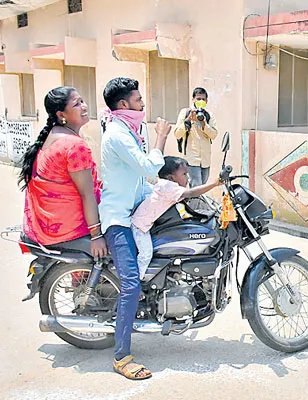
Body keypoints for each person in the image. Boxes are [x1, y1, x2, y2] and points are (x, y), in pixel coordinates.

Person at [99, 77, 171, 380]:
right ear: (123, 104)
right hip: (119, 218)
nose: (143, 104)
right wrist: (161, 138)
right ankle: (121, 357)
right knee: (130, 284)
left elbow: (142, 180)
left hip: (134, 210)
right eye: (138, 99)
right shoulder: (117, 133)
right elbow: (148, 167)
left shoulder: (128, 128)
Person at [19, 86, 107, 258]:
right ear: (61, 115)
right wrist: (96, 235)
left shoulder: (52, 135)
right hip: (68, 226)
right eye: (76, 104)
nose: (84, 106)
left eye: (82, 101)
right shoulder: (74, 146)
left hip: (49, 223)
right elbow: (86, 194)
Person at [130, 156, 222, 279]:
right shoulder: (167, 187)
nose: (187, 178)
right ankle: (137, 284)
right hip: (139, 227)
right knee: (146, 255)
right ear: (171, 177)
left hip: (143, 225)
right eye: (184, 174)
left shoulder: (166, 186)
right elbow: (191, 193)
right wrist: (215, 183)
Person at [174, 87, 218, 187]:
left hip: (205, 160)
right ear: (193, 99)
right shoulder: (185, 112)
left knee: (202, 187)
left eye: (203, 99)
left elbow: (214, 135)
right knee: (196, 188)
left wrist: (204, 124)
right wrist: (188, 121)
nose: (201, 101)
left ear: (207, 101)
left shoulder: (209, 115)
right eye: (198, 99)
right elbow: (177, 133)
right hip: (192, 159)